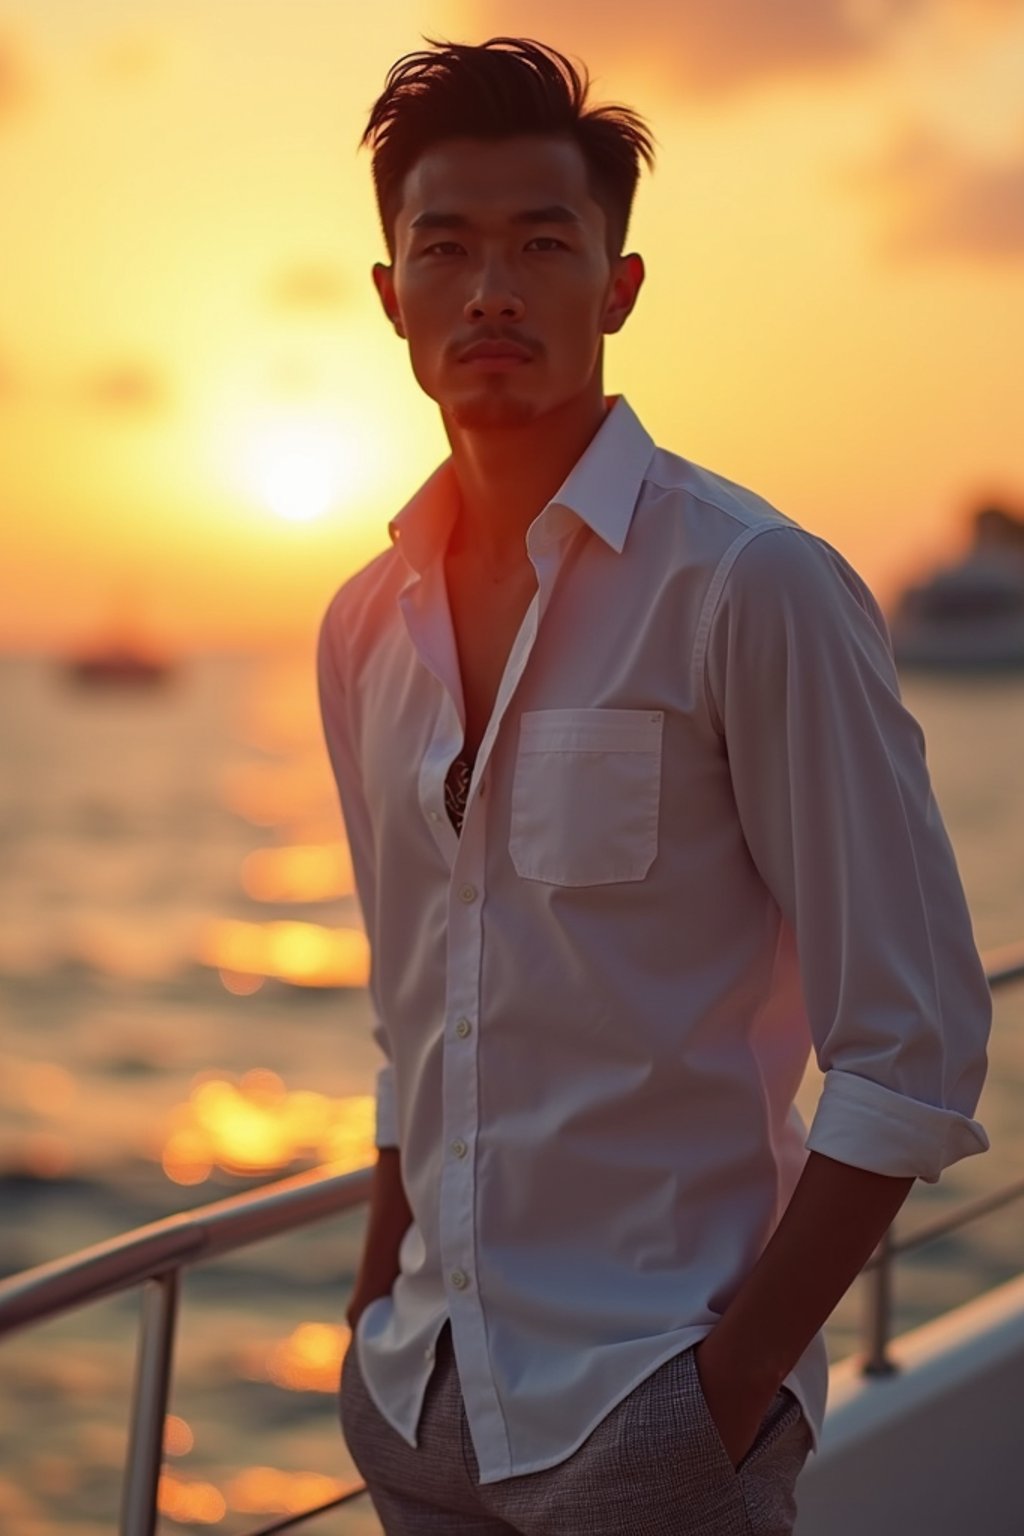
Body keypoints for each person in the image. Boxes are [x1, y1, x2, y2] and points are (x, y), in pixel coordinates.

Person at [315, 35, 992, 1536]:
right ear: (392, 300)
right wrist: (375, 1322)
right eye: (448, 246)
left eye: (542, 244)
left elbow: (917, 1043)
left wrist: (725, 1396)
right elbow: (409, 1012)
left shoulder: (753, 585)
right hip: (422, 1402)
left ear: (617, 288)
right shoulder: (362, 630)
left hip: (651, 1416)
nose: (493, 287)